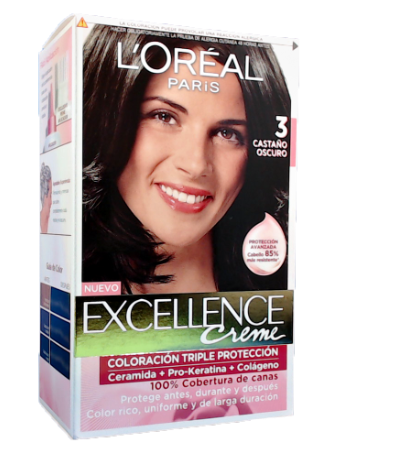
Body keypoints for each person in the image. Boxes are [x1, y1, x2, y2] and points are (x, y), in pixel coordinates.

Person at [82, 24, 291, 294]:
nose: (195, 165)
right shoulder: (76, 278)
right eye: (164, 116)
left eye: (228, 133)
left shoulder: (278, 286)